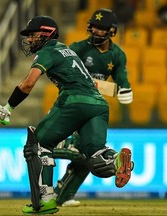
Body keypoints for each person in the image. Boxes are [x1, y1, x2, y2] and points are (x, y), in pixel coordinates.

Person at [0, 15, 133, 215]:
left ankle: (45, 201)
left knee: (38, 144)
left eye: (33, 35)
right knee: (93, 154)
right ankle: (116, 160)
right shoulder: (68, 51)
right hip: (99, 104)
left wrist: (8, 108)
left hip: (74, 100)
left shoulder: (49, 51)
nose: (30, 40)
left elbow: (28, 83)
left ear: (46, 34)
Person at [53, 8, 133, 207]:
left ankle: (61, 195)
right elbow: (61, 73)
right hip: (71, 102)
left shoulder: (117, 55)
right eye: (94, 27)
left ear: (111, 31)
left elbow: (122, 82)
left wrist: (124, 89)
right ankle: (115, 160)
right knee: (77, 151)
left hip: (93, 107)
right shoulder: (78, 48)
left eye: (101, 28)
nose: (96, 31)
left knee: (86, 153)